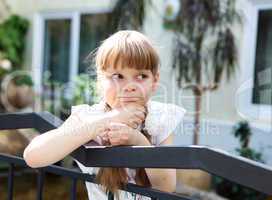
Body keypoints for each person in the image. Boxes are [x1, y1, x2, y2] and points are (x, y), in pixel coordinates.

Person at [24, 30, 186, 200]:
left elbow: (166, 187)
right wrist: (111, 118)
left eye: (141, 76)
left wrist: (138, 140)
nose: (130, 86)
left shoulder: (159, 119)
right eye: (118, 76)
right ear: (100, 81)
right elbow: (33, 156)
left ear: (154, 81)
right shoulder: (90, 117)